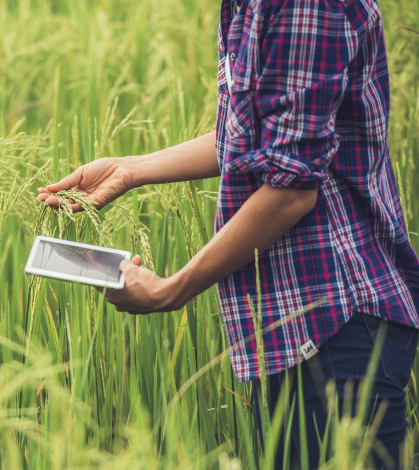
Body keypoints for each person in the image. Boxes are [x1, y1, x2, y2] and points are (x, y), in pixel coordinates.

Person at [36, 0, 419, 467]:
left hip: (337, 324)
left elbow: (290, 190)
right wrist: (129, 169)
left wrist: (171, 290)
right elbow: (262, 135)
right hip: (289, 328)